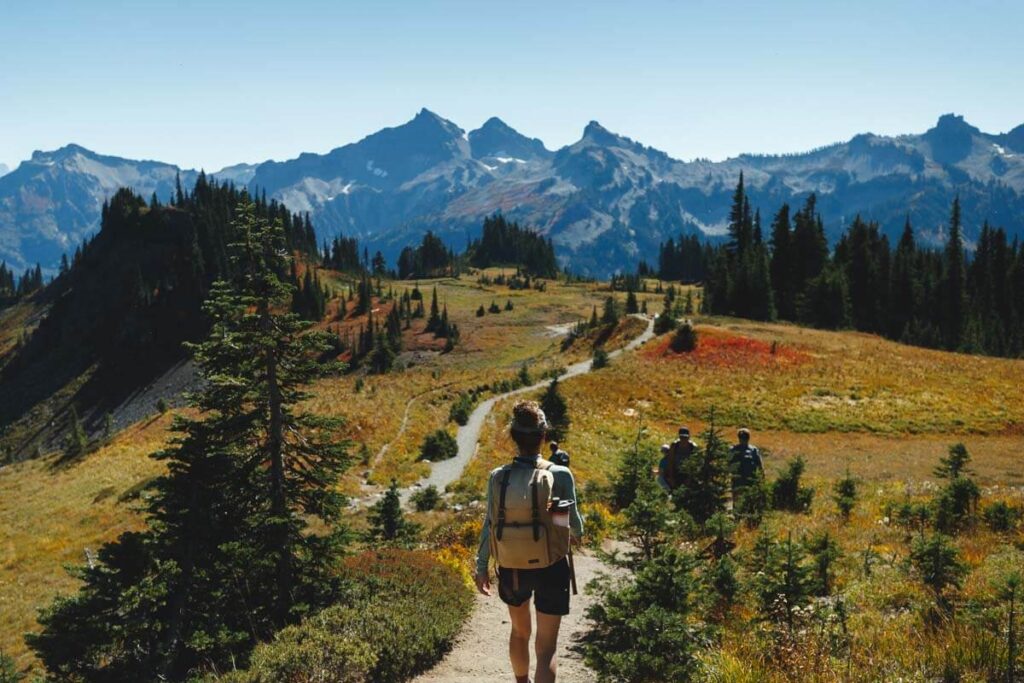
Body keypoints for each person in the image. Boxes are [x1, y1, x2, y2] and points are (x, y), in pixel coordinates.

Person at [475, 401, 584, 683]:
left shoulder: (499, 477)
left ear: (513, 436)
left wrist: (481, 566)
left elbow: (489, 523)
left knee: (519, 632)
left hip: (511, 566)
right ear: (543, 435)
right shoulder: (559, 474)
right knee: (546, 647)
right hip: (551, 566)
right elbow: (574, 528)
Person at [657, 426, 695, 493]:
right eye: (682, 437)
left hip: (688, 473)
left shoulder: (693, 447)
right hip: (676, 471)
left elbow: (695, 464)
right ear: (679, 437)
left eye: (685, 437)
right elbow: (670, 462)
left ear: (689, 437)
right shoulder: (674, 446)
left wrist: (689, 478)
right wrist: (671, 478)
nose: (683, 439)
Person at [729, 427, 764, 495]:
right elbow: (728, 464)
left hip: (750, 481)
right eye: (742, 438)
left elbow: (760, 465)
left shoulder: (753, 450)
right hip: (738, 482)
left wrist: (761, 477)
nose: (743, 440)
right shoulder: (733, 450)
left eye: (745, 438)